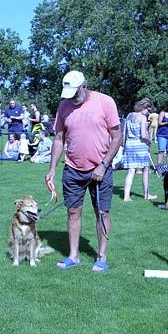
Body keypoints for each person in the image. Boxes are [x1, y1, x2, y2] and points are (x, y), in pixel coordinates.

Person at [45, 70, 122, 272]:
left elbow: (117, 137)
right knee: (72, 211)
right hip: (72, 169)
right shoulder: (64, 106)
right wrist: (52, 167)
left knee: (102, 213)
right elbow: (59, 139)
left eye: (74, 92)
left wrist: (103, 164)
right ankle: (73, 255)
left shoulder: (105, 102)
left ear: (84, 86)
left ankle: (102, 257)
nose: (71, 97)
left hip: (100, 169)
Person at [121, 98, 157, 201]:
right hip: (140, 145)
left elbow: (124, 133)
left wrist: (124, 146)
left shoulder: (129, 115)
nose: (149, 113)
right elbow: (143, 135)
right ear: (144, 107)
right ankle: (146, 194)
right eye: (148, 110)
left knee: (131, 170)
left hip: (129, 145)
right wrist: (149, 140)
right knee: (146, 169)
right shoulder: (142, 118)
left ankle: (126, 196)